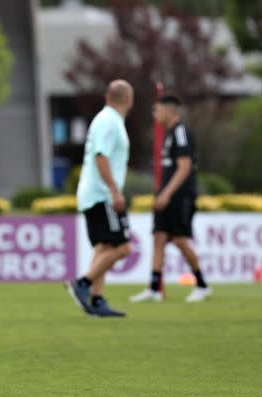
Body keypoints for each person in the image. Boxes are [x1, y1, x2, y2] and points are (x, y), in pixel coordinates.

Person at [130, 95, 211, 303]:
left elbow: (184, 167)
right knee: (159, 237)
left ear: (169, 110)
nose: (155, 114)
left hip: (179, 196)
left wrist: (166, 193)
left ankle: (202, 285)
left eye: (157, 110)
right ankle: (154, 288)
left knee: (180, 239)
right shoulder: (169, 134)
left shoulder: (181, 132)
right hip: (166, 195)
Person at [65, 80, 134, 317]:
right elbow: (101, 156)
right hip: (102, 194)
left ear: (107, 97)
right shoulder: (109, 121)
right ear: (129, 99)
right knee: (123, 247)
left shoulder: (107, 119)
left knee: (104, 247)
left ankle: (96, 299)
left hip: (93, 192)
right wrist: (115, 190)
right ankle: (82, 284)